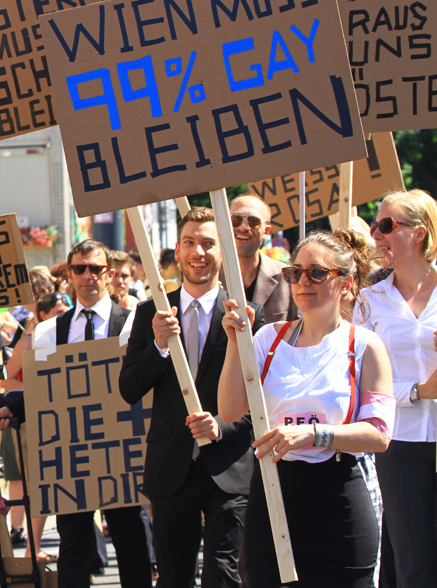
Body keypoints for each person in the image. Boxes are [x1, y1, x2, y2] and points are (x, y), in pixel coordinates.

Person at [220, 230, 394, 587]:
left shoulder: (364, 345)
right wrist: (235, 345)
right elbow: (230, 410)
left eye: (317, 273)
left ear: (345, 284)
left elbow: (379, 435)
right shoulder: (268, 339)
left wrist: (315, 434)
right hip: (273, 496)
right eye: (294, 272)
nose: (303, 282)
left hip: (339, 501)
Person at [121, 207, 263, 588]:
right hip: (171, 470)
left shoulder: (245, 315)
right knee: (173, 576)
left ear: (224, 251)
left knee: (223, 576)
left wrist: (223, 427)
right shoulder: (151, 311)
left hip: (229, 469)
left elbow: (264, 403)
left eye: (208, 243)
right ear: (177, 250)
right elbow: (129, 388)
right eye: (189, 243)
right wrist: (158, 346)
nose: (197, 252)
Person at [32, 240, 150, 588]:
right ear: (68, 275)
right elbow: (41, 393)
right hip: (72, 455)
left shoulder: (133, 322)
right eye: (79, 269)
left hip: (123, 452)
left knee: (133, 541)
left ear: (109, 274)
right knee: (73, 546)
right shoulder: (48, 331)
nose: (88, 276)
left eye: (95, 269)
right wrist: (10, 407)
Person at [356, 189, 437, 588]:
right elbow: (361, 379)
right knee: (413, 557)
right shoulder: (369, 301)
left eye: (387, 225)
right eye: (375, 226)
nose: (377, 235)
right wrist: (420, 390)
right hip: (400, 442)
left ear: (420, 233)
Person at [0, 291, 71, 561]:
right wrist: (38, 390)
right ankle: (31, 550)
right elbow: (3, 381)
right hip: (33, 420)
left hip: (65, 417)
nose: (65, 317)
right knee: (38, 484)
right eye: (59, 313)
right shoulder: (29, 342)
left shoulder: (72, 336)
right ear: (42, 316)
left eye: (67, 311)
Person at [228, 194, 298, 322]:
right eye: (236, 220)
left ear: (266, 231)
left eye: (254, 222)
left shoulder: (289, 278)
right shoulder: (210, 276)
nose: (243, 227)